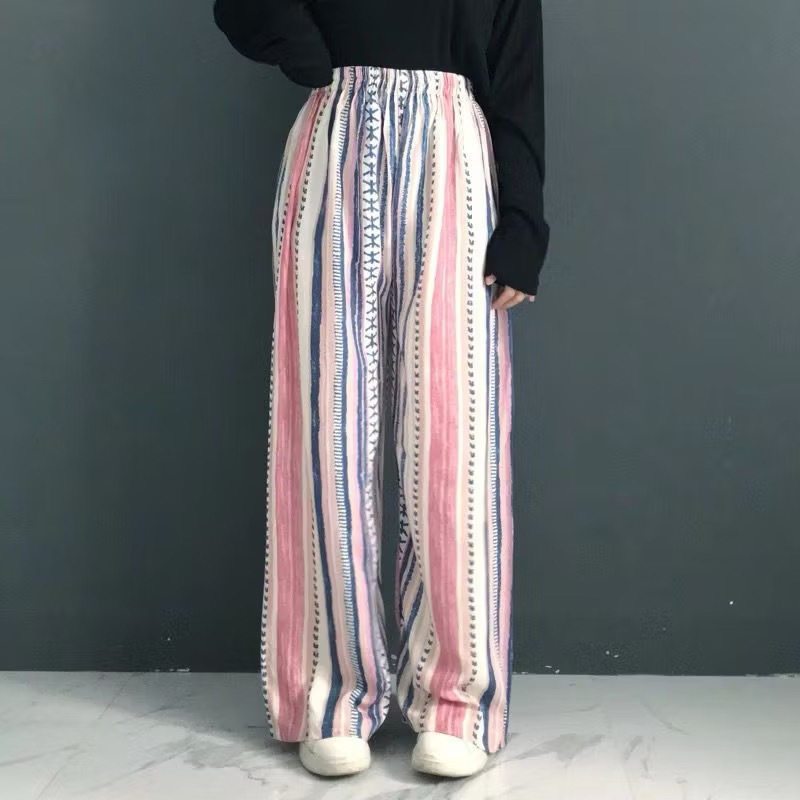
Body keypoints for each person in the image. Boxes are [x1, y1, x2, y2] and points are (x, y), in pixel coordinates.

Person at [212, 0, 551, 779]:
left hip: (455, 146)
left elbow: (518, 69)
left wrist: (524, 221)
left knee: (457, 432)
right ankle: (330, 694)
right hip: (337, 133)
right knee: (325, 425)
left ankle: (458, 700)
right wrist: (316, 60)